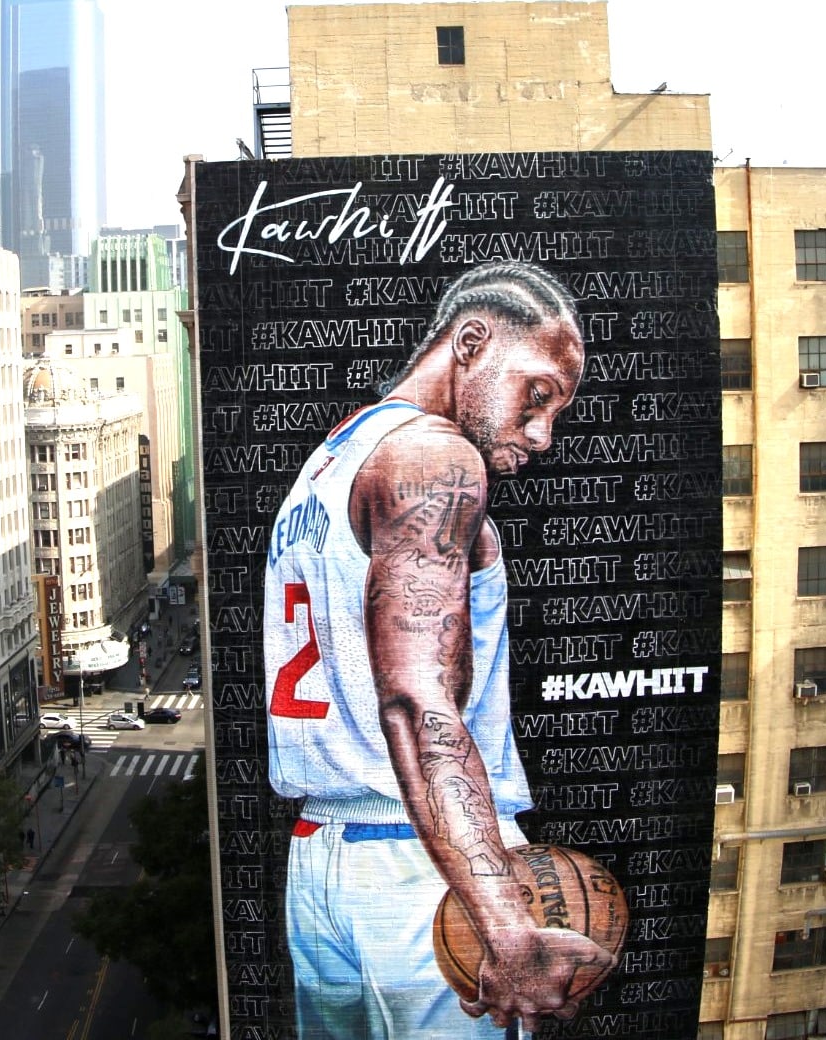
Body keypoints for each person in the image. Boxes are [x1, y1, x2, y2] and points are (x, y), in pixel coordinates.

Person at [263, 261, 611, 1039]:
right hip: (423, 866)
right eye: (539, 394)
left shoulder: (332, 461)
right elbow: (417, 703)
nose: (542, 433)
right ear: (473, 341)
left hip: (323, 855)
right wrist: (507, 926)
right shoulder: (435, 462)